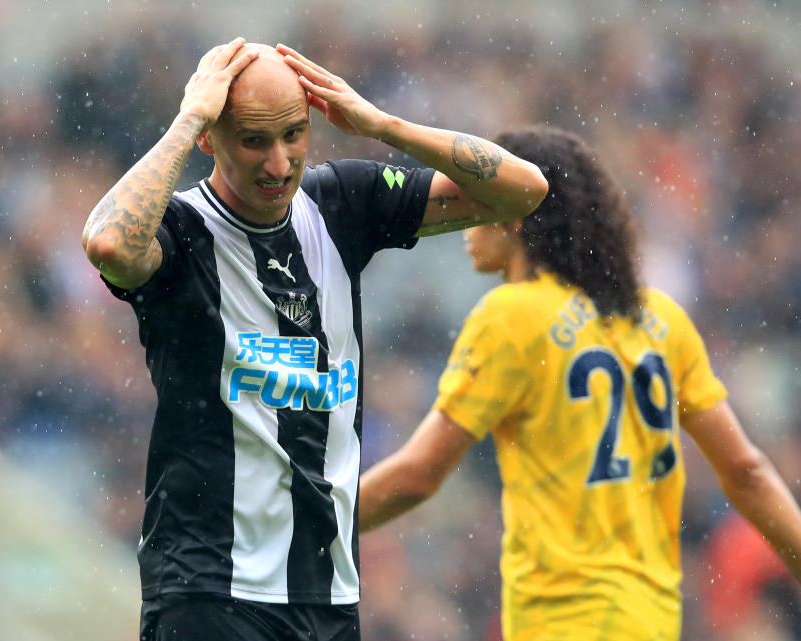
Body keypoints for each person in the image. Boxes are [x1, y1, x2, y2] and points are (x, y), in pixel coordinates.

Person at [81, 37, 548, 641]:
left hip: (328, 598)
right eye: (253, 140)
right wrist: (190, 114)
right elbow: (110, 245)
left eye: (293, 135)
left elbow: (524, 190)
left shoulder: (340, 204)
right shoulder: (180, 233)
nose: (279, 163)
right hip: (210, 591)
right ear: (210, 139)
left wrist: (381, 124)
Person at [358, 126, 801, 640]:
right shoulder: (660, 319)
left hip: (565, 620)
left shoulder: (512, 317)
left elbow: (417, 475)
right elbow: (746, 470)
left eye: (471, 196)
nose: (460, 214)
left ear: (517, 212)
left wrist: (308, 527)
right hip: (653, 621)